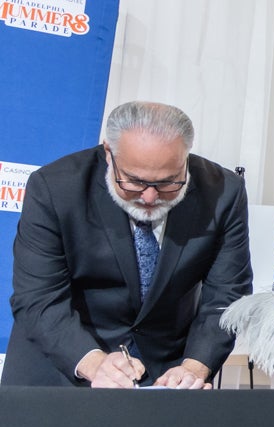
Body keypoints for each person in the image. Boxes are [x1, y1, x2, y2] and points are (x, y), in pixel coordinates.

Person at [3, 101, 252, 388]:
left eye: (168, 183)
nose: (149, 197)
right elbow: (38, 297)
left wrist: (194, 367)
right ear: (109, 153)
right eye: (134, 182)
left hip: (166, 375)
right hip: (63, 367)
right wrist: (94, 364)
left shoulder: (223, 193)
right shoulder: (55, 188)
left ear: (185, 156)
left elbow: (227, 295)